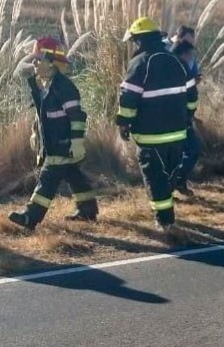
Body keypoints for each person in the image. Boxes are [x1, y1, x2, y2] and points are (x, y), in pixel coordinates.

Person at [7, 37, 100, 230]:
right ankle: (88, 210)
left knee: (47, 180)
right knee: (75, 177)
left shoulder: (63, 86)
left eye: (38, 60)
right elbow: (43, 115)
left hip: (62, 144)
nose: (34, 64)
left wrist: (76, 142)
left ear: (51, 62)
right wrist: (36, 134)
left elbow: (77, 116)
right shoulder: (47, 85)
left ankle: (30, 217)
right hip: (55, 143)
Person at [117, 16, 198, 232]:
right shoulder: (177, 62)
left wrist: (123, 123)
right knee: (168, 176)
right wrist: (189, 116)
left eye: (135, 41)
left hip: (150, 137)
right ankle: (167, 214)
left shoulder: (140, 63)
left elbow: (128, 99)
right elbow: (192, 94)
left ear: (140, 41)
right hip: (178, 134)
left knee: (155, 178)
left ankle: (165, 222)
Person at [169, 39, 201, 197]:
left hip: (171, 118)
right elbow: (191, 95)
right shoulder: (180, 67)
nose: (191, 58)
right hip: (179, 119)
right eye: (189, 54)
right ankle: (175, 182)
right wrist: (189, 115)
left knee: (180, 153)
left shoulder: (165, 65)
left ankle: (175, 182)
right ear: (183, 53)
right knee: (192, 149)